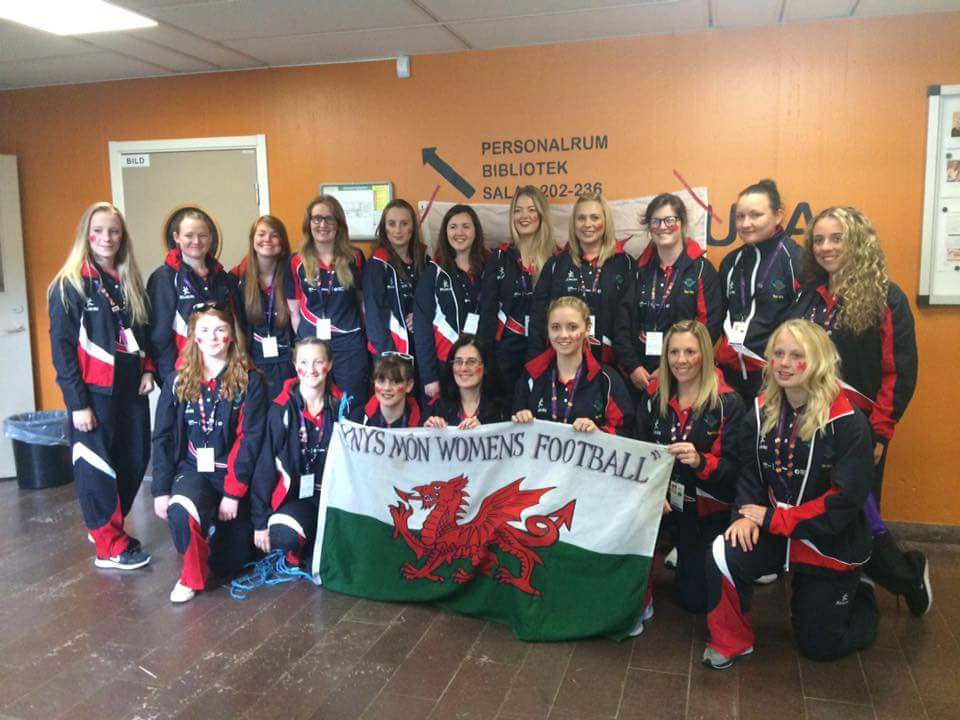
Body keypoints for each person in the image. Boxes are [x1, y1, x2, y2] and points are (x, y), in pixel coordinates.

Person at [703, 319, 878, 669]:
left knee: (819, 646)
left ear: (819, 361)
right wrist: (742, 515)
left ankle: (862, 597)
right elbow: (750, 472)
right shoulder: (761, 408)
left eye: (796, 355)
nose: (784, 363)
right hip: (774, 529)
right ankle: (733, 640)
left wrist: (772, 518)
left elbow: (842, 504)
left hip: (826, 542)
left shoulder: (850, 422)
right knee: (724, 551)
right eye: (778, 354)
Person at [789, 206, 929, 614]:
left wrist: (881, 432)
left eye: (837, 238)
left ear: (859, 243)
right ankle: (829, 588)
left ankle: (906, 577)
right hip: (810, 425)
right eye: (819, 239)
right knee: (817, 510)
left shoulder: (887, 296)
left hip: (859, 431)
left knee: (859, 515)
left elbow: (898, 371)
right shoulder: (808, 295)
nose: (826, 247)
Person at [48, 202, 153, 570]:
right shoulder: (69, 284)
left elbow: (141, 330)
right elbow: (61, 351)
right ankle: (109, 545)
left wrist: (148, 369)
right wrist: (78, 403)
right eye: (98, 231)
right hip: (94, 393)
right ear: (85, 235)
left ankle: (109, 528)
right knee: (97, 467)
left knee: (135, 458)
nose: (106, 238)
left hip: (131, 390)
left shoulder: (128, 280)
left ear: (122, 237)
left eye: (113, 231)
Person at [152, 303, 267, 603]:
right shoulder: (177, 380)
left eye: (220, 330)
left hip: (231, 474)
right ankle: (190, 578)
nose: (213, 337)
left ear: (231, 336)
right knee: (180, 509)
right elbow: (162, 437)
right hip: (193, 470)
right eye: (205, 330)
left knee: (229, 564)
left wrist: (233, 492)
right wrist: (161, 489)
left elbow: (250, 440)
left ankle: (213, 543)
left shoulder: (250, 380)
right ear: (195, 337)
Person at [636, 320, 744, 612]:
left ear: (705, 356)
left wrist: (701, 462)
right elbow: (639, 451)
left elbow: (735, 472)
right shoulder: (654, 396)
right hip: (664, 503)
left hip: (706, 510)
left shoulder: (728, 403)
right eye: (674, 353)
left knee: (694, 601)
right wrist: (652, 494)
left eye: (690, 352)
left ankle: (688, 558)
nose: (681, 360)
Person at [252, 339, 348, 566]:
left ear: (330, 364)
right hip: (298, 497)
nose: (311, 369)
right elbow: (265, 465)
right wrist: (260, 521)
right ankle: (305, 545)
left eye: (318, 362)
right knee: (282, 533)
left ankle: (319, 544)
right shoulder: (280, 408)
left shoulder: (343, 406)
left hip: (335, 497)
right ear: (295, 366)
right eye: (304, 362)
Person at [615, 193, 722, 395]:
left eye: (669, 220)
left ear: (682, 223)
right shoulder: (639, 270)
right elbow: (622, 322)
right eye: (655, 221)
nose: (663, 226)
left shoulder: (702, 271)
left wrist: (670, 369)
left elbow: (709, 328)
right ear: (649, 229)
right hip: (639, 376)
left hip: (683, 374)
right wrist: (632, 367)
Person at [715, 180, 802, 400]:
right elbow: (719, 316)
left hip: (774, 377)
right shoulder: (731, 262)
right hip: (730, 376)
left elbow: (804, 328)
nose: (746, 224)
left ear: (778, 216)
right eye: (740, 216)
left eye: (756, 215)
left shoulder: (796, 259)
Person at [528, 192, 634, 365]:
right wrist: (535, 364)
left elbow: (630, 320)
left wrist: (631, 364)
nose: (588, 224)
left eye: (594, 217)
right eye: (581, 218)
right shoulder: (557, 264)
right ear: (573, 223)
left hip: (611, 364)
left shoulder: (625, 264)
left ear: (605, 222)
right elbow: (538, 318)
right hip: (562, 361)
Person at [147, 206, 244, 385]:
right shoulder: (164, 278)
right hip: (183, 375)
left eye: (203, 235)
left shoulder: (223, 278)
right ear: (177, 237)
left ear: (210, 238)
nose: (196, 241)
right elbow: (159, 336)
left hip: (223, 375)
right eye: (189, 235)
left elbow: (236, 327)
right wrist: (170, 379)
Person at [513, 296, 632, 435]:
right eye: (555, 327)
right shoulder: (531, 376)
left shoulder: (606, 380)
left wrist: (599, 433)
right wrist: (520, 420)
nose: (563, 335)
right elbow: (513, 434)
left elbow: (627, 432)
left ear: (587, 329)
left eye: (572, 327)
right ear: (548, 330)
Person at [479, 186, 554, 401]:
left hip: (544, 349)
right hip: (505, 352)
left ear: (541, 214)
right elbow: (488, 311)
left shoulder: (555, 258)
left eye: (531, 209)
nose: (524, 216)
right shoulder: (499, 256)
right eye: (518, 210)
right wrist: (483, 356)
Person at [290, 194, 368, 403]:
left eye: (329, 218)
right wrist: (305, 340)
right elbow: (294, 311)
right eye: (317, 218)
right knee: (314, 404)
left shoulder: (355, 257)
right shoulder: (296, 261)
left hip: (348, 345)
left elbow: (363, 304)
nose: (322, 224)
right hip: (311, 346)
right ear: (309, 224)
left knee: (351, 404)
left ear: (339, 224)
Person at [413, 204, 487, 402]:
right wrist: (429, 376)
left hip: (480, 366)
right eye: (453, 227)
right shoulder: (433, 273)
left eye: (466, 226)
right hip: (443, 365)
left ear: (475, 231)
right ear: (445, 232)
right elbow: (422, 328)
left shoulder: (490, 268)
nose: (459, 232)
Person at [231, 214, 298, 399]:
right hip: (254, 362)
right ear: (253, 240)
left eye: (274, 235)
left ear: (283, 242)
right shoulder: (237, 278)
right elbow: (236, 323)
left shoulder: (293, 275)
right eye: (261, 234)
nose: (267, 239)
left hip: (289, 361)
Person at [364, 199, 426, 360]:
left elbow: (435, 301)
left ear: (413, 227)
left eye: (404, 223)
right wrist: (389, 356)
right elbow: (374, 317)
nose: (397, 230)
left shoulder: (425, 261)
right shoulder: (377, 264)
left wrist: (421, 314)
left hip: (421, 345)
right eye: (392, 224)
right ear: (384, 228)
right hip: (389, 348)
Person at [424, 336, 504, 429]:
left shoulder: (502, 408)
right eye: (458, 362)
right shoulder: (437, 408)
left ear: (485, 367)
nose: (463, 368)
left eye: (471, 362)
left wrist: (483, 430)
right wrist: (427, 429)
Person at [349, 352, 422, 427]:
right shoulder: (356, 421)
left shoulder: (423, 424)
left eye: (395, 381)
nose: (387, 388)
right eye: (381, 381)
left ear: (409, 385)